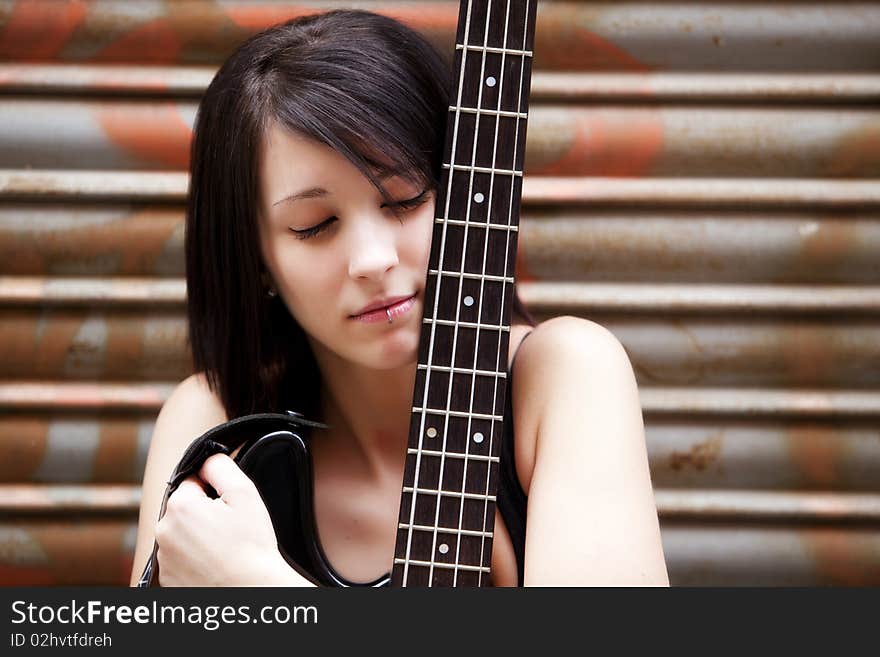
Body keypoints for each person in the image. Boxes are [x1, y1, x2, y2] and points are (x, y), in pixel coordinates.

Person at [129, 10, 669, 587]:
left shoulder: (566, 376)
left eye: (405, 198)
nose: (372, 258)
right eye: (315, 225)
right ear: (257, 255)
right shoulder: (217, 424)